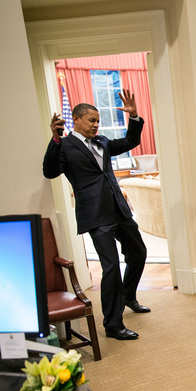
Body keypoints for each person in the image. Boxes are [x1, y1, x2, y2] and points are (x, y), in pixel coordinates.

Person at [43, 90, 150, 341]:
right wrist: (55, 139)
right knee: (111, 266)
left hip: (118, 210)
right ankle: (113, 325)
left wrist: (134, 117)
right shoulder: (65, 146)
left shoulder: (102, 141)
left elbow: (129, 142)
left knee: (138, 252)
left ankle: (128, 296)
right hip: (95, 215)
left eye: (97, 121)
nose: (96, 125)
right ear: (77, 119)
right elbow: (49, 171)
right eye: (91, 120)